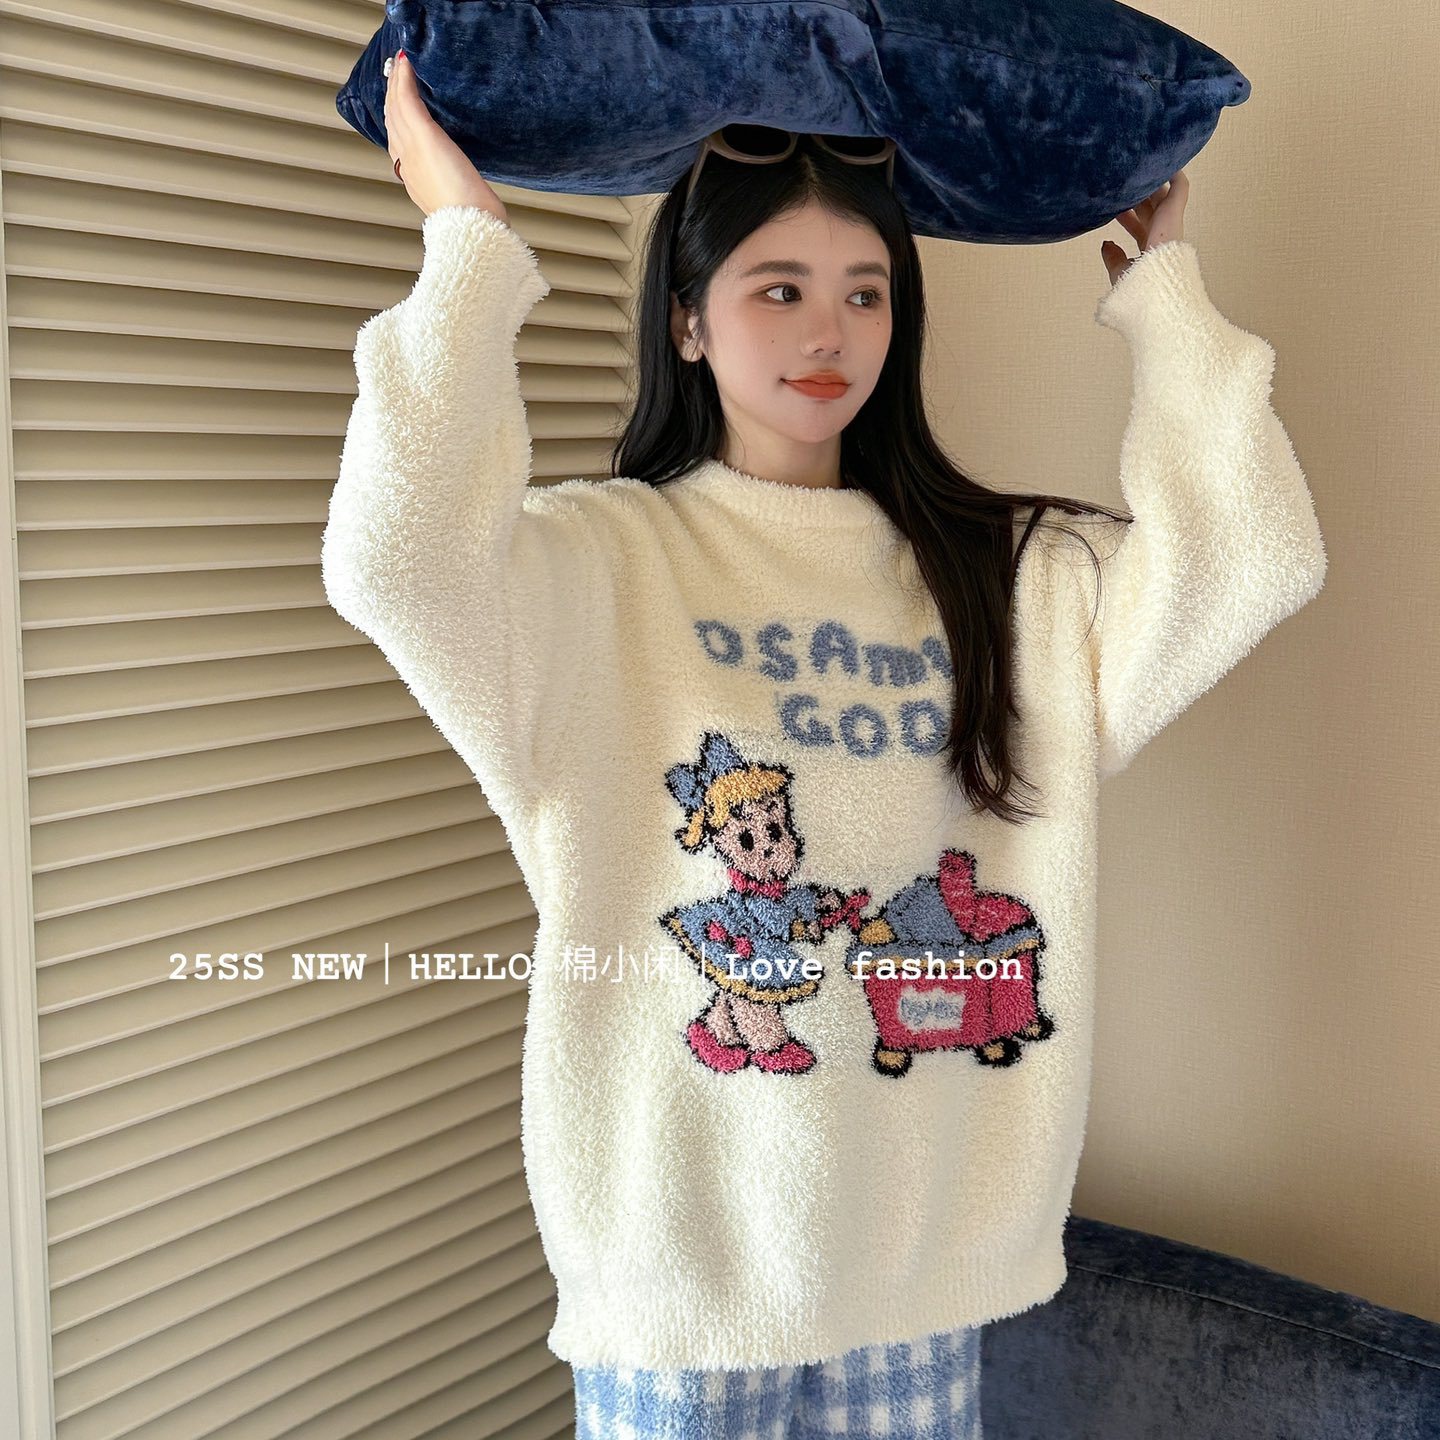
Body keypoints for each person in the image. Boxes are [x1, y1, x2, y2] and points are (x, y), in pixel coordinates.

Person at [320, 48, 1327, 1440]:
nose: (831, 331)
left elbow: (1254, 557)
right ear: (688, 322)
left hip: (916, 1278)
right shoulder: (597, 563)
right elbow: (394, 559)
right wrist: (468, 248)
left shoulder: (1006, 578)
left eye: (867, 292)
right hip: (675, 1286)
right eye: (779, 289)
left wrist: (1170, 305)